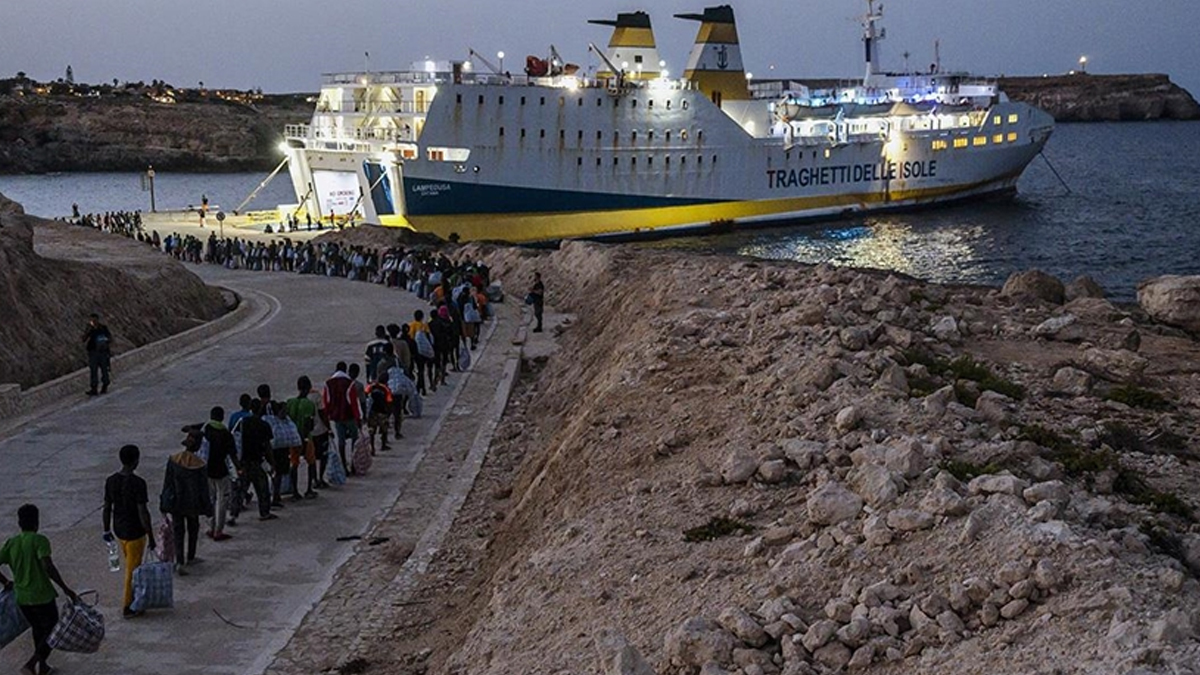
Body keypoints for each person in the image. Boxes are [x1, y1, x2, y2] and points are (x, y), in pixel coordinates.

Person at [0, 504, 79, 675]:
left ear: (19, 523)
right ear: (37, 522)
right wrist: (66, 588)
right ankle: (31, 663)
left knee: (38, 629)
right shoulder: (39, 541)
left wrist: (6, 582)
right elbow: (48, 567)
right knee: (53, 630)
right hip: (42, 595)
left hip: (21, 597)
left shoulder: (11, 543)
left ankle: (43, 667)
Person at [102, 445, 156, 617]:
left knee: (131, 566)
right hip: (135, 532)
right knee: (132, 571)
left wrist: (106, 529)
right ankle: (128, 606)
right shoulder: (138, 483)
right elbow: (143, 512)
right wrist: (151, 535)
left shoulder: (111, 481)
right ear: (136, 460)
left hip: (120, 530)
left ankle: (134, 600)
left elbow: (107, 507)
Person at [160, 428, 212, 575]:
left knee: (178, 530)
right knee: (193, 528)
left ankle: (179, 561)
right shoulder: (200, 464)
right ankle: (191, 556)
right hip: (193, 503)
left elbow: (167, 483)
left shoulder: (174, 459)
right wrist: (208, 507)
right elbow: (203, 489)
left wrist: (163, 502)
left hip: (176, 501)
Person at [236, 400, 277, 522]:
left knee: (241, 487)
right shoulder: (264, 425)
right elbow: (267, 446)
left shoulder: (243, 422)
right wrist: (272, 462)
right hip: (257, 460)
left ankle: (233, 513)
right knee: (262, 489)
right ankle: (264, 513)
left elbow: (237, 439)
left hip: (244, 460)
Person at [203, 407, 239, 541]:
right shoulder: (226, 434)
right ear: (222, 417)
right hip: (221, 469)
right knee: (222, 500)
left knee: (211, 499)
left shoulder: (206, 430)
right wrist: (239, 468)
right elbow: (233, 454)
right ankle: (218, 530)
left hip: (207, 468)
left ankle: (211, 527)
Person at [322, 363, 361, 477]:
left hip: (336, 417)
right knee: (355, 439)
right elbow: (353, 403)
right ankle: (354, 464)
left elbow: (326, 402)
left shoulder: (328, 384)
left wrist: (328, 418)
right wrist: (358, 418)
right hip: (349, 416)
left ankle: (344, 465)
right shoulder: (349, 383)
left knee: (341, 441)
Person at [285, 376, 319, 500]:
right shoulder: (309, 404)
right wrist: (305, 437)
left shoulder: (290, 402)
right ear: (309, 388)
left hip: (293, 438)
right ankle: (309, 489)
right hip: (305, 437)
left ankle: (295, 491)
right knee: (311, 462)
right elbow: (308, 423)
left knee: (294, 463)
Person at [83, 312, 113, 395]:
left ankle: (104, 385)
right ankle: (94, 387)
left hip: (101, 352)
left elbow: (109, 338)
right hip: (93, 352)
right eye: (91, 320)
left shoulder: (103, 328)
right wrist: (87, 331)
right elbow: (84, 339)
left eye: (94, 319)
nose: (93, 321)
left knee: (103, 369)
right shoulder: (90, 329)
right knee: (94, 370)